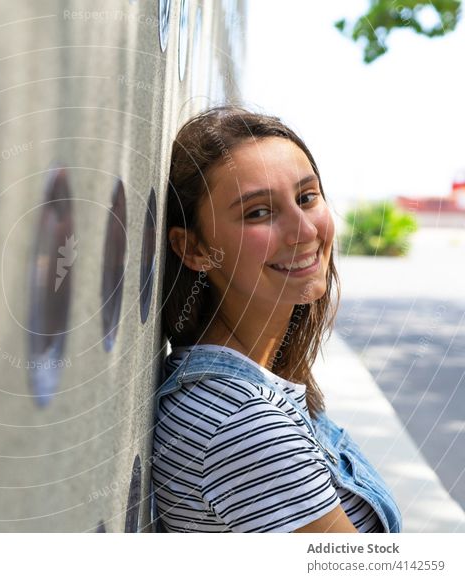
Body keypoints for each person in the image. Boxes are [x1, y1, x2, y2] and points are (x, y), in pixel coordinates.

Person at [150, 106, 402, 533]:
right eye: (258, 212)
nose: (304, 231)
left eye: (306, 198)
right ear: (193, 249)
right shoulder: (243, 424)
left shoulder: (257, 383)